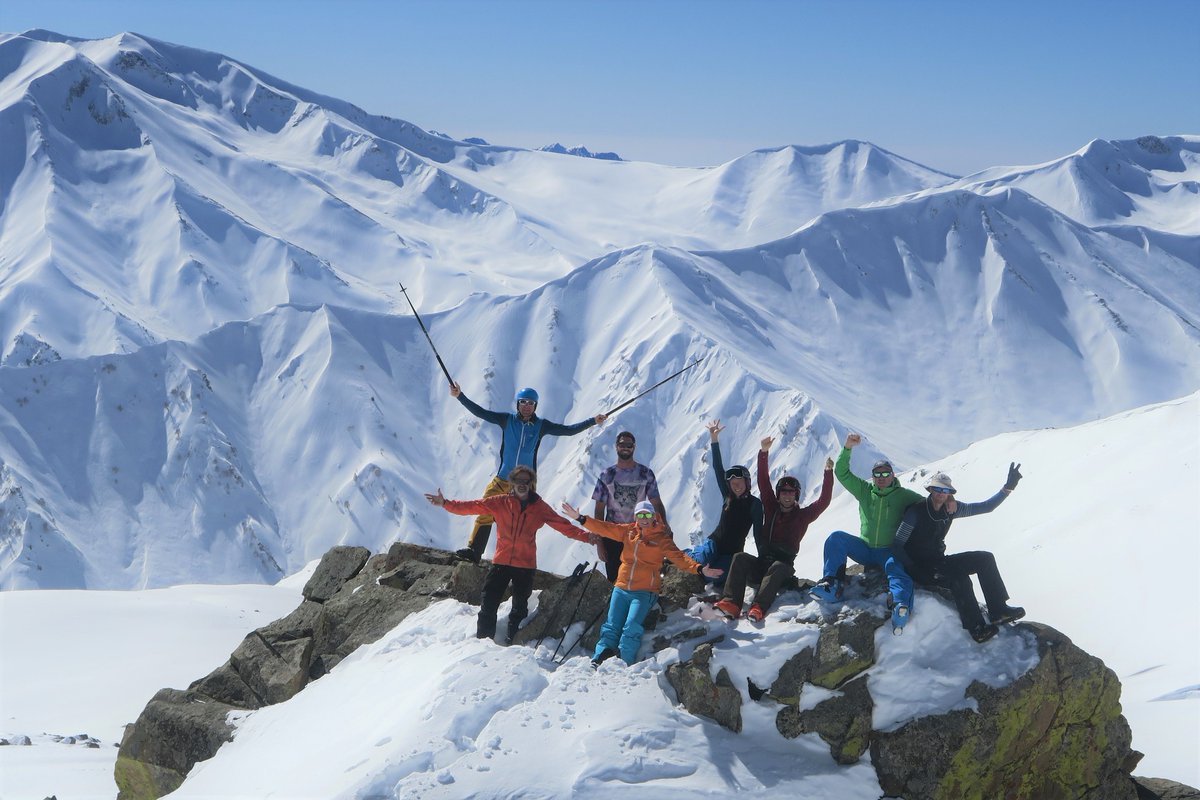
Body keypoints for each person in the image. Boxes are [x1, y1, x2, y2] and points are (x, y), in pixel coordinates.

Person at [425, 465, 591, 643]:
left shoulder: (540, 507)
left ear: (531, 484)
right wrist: (445, 503)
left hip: (525, 566)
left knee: (519, 609)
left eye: (526, 481)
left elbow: (563, 526)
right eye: (518, 481)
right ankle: (482, 643)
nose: (522, 484)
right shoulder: (500, 502)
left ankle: (514, 644)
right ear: (511, 483)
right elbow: (472, 506)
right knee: (488, 603)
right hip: (501, 562)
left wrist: (589, 537)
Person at [450, 381, 606, 562]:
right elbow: (481, 413)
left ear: (535, 406)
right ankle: (474, 552)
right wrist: (460, 396)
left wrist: (593, 421)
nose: (526, 406)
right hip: (502, 479)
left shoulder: (541, 425)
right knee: (485, 509)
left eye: (530, 403)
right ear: (518, 404)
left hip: (525, 485)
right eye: (523, 402)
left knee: (520, 521)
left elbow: (568, 431)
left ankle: (515, 558)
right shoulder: (506, 420)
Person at [561, 499, 723, 667]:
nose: (644, 518)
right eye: (640, 515)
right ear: (635, 517)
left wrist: (699, 569)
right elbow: (605, 528)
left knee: (631, 627)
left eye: (647, 514)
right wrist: (581, 518)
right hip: (621, 587)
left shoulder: (661, 538)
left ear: (654, 516)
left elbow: (680, 558)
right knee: (611, 626)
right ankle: (600, 656)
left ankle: (624, 662)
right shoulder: (628, 531)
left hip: (644, 591)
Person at [891, 466, 1026, 643]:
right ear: (930, 489)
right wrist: (911, 568)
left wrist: (1007, 488)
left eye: (945, 490)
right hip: (919, 566)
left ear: (949, 493)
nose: (941, 493)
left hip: (939, 561)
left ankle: (998, 610)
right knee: (959, 579)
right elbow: (897, 544)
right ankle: (977, 628)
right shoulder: (915, 512)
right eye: (937, 489)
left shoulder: (951, 509)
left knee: (985, 558)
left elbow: (986, 507)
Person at [810, 433, 924, 630]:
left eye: (885, 474)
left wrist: (946, 502)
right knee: (836, 538)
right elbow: (842, 473)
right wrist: (847, 449)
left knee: (897, 571)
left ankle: (900, 604)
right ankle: (832, 585)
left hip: (888, 551)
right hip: (864, 548)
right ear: (873, 477)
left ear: (892, 475)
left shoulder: (904, 496)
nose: (881, 478)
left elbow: (926, 507)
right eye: (877, 474)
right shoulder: (864, 490)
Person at [713, 436, 834, 622]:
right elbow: (763, 481)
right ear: (778, 495)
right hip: (761, 565)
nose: (787, 495)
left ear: (796, 496)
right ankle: (731, 603)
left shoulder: (803, 516)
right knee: (739, 558)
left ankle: (758, 607)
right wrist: (763, 452)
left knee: (777, 566)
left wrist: (828, 473)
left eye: (791, 492)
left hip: (782, 570)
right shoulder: (771, 507)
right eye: (783, 492)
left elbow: (823, 501)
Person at [686, 419, 763, 591]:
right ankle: (682, 555)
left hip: (732, 554)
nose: (736, 486)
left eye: (740, 482)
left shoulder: (755, 505)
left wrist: (762, 560)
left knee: (715, 576)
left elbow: (759, 535)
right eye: (733, 483)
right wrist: (714, 439)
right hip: (714, 544)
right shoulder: (727, 496)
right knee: (697, 562)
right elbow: (718, 467)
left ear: (747, 483)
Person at [591, 431, 669, 583]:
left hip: (639, 535)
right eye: (622, 444)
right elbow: (599, 510)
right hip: (612, 536)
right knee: (615, 580)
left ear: (634, 447)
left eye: (629, 445)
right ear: (616, 447)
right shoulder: (606, 475)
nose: (625, 448)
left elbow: (657, 504)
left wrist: (663, 527)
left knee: (639, 579)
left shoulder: (646, 474)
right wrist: (600, 542)